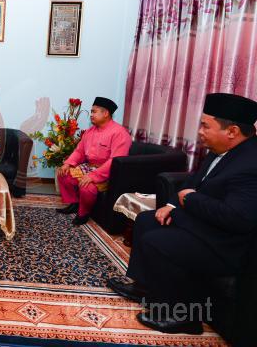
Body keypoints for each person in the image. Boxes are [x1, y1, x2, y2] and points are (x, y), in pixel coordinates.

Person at [107, 93, 257, 335]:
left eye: (205, 126)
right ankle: (144, 287)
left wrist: (190, 199)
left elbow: (238, 218)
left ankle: (184, 318)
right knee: (146, 220)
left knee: (157, 242)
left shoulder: (250, 164)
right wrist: (172, 205)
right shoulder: (219, 150)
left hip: (225, 243)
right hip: (205, 225)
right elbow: (195, 180)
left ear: (232, 131)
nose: (200, 131)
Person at [56, 97, 132, 225]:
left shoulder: (120, 133)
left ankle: (83, 213)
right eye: (91, 112)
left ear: (105, 113)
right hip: (89, 166)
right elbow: (79, 151)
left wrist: (93, 176)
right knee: (64, 174)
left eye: (94, 112)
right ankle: (75, 203)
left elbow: (115, 161)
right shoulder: (90, 131)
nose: (91, 115)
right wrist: (68, 163)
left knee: (87, 187)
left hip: (108, 172)